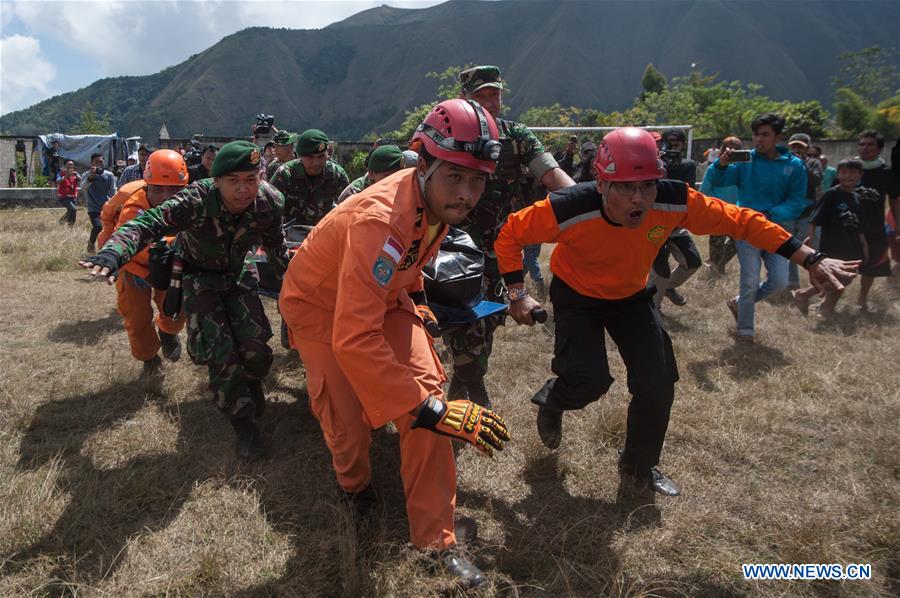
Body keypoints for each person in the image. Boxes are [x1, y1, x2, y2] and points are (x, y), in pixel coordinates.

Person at [494, 127, 859, 496]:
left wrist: (810, 257)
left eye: (648, 186)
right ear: (601, 184)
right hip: (577, 296)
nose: (639, 199)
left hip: (631, 297)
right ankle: (554, 400)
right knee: (588, 380)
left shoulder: (674, 200)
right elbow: (510, 234)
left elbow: (742, 221)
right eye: (626, 187)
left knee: (657, 382)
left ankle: (638, 467)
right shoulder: (568, 207)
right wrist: (518, 294)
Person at [279, 99, 510, 587]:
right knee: (347, 423)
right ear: (423, 164)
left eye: (477, 180)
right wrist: (425, 409)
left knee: (430, 399)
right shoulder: (379, 219)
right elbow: (353, 336)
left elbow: (407, 261)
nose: (466, 194)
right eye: (455, 176)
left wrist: (418, 303)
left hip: (383, 298)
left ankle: (436, 542)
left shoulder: (435, 200)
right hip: (318, 307)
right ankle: (355, 490)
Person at [79, 141, 289, 461]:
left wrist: (292, 284)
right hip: (198, 276)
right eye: (233, 181)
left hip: (238, 273)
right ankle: (244, 426)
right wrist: (113, 252)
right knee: (221, 353)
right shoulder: (196, 199)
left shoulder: (270, 201)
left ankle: (252, 382)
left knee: (257, 349)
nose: (243, 189)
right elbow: (147, 224)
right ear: (216, 181)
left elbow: (276, 246)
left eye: (251, 179)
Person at [446, 65, 575, 407]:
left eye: (495, 94)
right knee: (463, 321)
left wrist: (584, 202)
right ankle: (474, 389)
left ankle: (463, 380)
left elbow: (552, 174)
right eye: (481, 96)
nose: (490, 102)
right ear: (465, 98)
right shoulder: (450, 132)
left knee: (489, 319)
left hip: (501, 250)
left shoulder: (516, 136)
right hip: (455, 250)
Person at [705, 113, 808, 342]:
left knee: (780, 281)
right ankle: (745, 331)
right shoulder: (745, 160)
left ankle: (738, 303)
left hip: (777, 230)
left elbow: (796, 200)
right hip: (746, 229)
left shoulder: (794, 165)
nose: (759, 139)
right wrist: (720, 165)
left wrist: (770, 215)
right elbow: (718, 180)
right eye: (756, 134)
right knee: (749, 281)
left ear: (778, 136)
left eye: (765, 134)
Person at [102, 150, 190, 381]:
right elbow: (110, 216)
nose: (165, 197)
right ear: (147, 185)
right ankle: (149, 359)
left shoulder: (192, 203)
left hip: (170, 267)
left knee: (175, 310)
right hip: (132, 266)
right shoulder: (128, 199)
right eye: (157, 189)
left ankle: (168, 333)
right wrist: (107, 245)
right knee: (136, 317)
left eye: (173, 190)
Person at [792, 159, 867, 318]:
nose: (848, 176)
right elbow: (815, 218)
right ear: (837, 174)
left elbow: (859, 226)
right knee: (835, 278)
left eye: (852, 172)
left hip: (852, 246)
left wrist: (864, 245)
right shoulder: (832, 194)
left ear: (860, 175)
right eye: (844, 172)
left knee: (845, 279)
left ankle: (824, 307)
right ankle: (806, 296)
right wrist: (810, 236)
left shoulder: (856, 197)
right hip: (833, 245)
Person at [650, 128, 702, 308]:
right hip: (655, 223)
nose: (672, 147)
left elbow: (688, 191)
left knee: (692, 261)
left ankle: (667, 288)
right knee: (660, 270)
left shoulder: (688, 165)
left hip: (676, 223)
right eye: (668, 143)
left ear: (683, 145)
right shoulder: (654, 164)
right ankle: (653, 310)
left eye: (676, 143)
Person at [854, 129, 900, 311]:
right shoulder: (849, 168)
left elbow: (894, 201)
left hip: (874, 227)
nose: (864, 148)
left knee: (871, 265)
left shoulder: (886, 173)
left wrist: (898, 225)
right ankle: (828, 299)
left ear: (879, 149)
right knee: (839, 262)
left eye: (870, 144)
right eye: (862, 144)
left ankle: (862, 299)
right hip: (847, 225)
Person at [269, 128, 350, 227]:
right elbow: (270, 209)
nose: (316, 163)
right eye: (310, 157)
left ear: (327, 155)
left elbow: (349, 208)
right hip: (291, 232)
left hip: (324, 230)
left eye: (321, 156)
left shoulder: (336, 174)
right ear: (300, 156)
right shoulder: (285, 174)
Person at [785, 133, 824, 290]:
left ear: (807, 149)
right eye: (794, 146)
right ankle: (792, 284)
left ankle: (818, 283)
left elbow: (816, 180)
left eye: (800, 147)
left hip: (807, 214)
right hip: (787, 213)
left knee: (813, 249)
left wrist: (802, 165)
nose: (796, 149)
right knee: (787, 248)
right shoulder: (783, 162)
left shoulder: (813, 163)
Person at [700, 136, 742, 275]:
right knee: (717, 243)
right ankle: (715, 273)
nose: (731, 151)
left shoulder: (742, 170)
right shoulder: (714, 168)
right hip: (717, 212)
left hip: (737, 212)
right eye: (728, 147)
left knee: (739, 241)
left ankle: (715, 262)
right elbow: (704, 190)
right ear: (722, 150)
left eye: (736, 148)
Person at [336, 144, 406, 204]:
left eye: (399, 175)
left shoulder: (404, 187)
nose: (394, 181)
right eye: (387, 176)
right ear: (371, 174)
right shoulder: (354, 193)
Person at [81, 152, 117, 253]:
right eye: (96, 162)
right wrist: (91, 178)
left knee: (110, 229)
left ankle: (106, 248)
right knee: (98, 226)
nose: (99, 164)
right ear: (91, 163)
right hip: (93, 207)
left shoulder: (109, 175)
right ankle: (91, 243)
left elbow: (113, 191)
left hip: (106, 207)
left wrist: (115, 204)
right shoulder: (86, 175)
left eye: (101, 162)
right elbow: (83, 188)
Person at [56, 161, 80, 225]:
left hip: (73, 196)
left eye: (72, 165)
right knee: (73, 209)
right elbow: (58, 181)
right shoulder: (61, 173)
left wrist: (76, 175)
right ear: (65, 166)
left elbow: (80, 179)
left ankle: (61, 222)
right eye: (68, 165)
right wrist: (66, 176)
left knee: (71, 211)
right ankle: (70, 225)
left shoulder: (75, 173)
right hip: (63, 196)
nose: (70, 166)